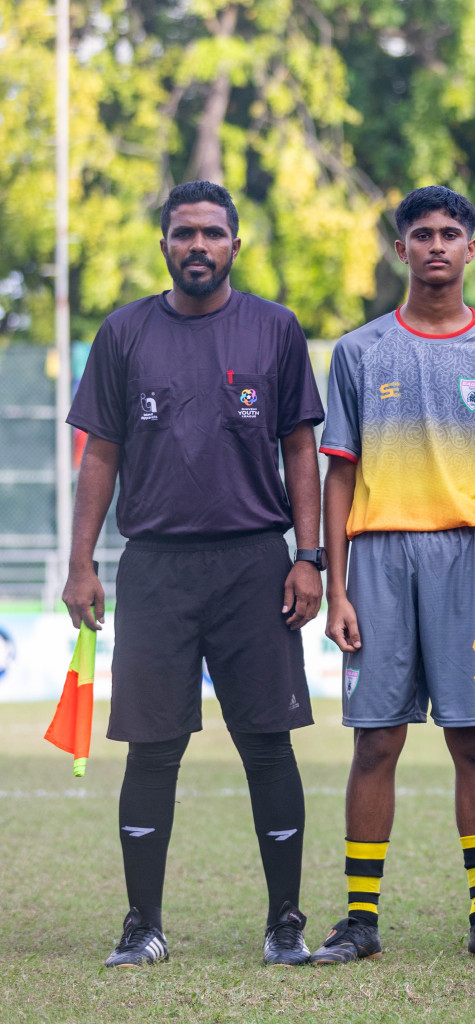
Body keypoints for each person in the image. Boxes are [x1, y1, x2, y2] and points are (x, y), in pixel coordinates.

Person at [62, 180, 325, 967]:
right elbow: (100, 454)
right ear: (166, 244)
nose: (198, 246)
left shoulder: (276, 330)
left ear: (236, 245)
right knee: (151, 749)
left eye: (213, 233)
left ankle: (285, 924)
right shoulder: (124, 332)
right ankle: (143, 925)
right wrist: (82, 563)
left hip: (254, 564)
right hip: (155, 570)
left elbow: (301, 450)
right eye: (184, 234)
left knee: (268, 745)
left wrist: (308, 557)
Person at [309, 186, 475, 966]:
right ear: (400, 250)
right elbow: (338, 476)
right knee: (375, 741)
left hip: (472, 561)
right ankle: (361, 919)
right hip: (377, 558)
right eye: (421, 235)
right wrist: (335, 587)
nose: (436, 245)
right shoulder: (358, 350)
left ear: (472, 249)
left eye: (450, 234)